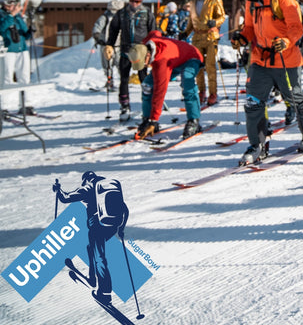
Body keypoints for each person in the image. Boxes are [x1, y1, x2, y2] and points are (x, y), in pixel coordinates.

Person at [230, 0, 303, 162]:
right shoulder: (251, 2)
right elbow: (248, 28)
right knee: (253, 101)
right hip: (260, 59)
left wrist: (286, 41)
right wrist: (241, 39)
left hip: (285, 58)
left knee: (294, 96)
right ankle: (257, 144)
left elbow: (297, 27)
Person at [52, 172, 128, 305]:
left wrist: (58, 190)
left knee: (99, 257)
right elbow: (125, 209)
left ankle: (105, 293)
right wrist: (121, 228)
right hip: (113, 225)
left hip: (97, 226)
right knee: (91, 248)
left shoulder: (88, 187)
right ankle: (92, 278)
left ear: (86, 180)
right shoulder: (109, 186)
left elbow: (65, 198)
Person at [132, 30, 204, 140]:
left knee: (187, 83)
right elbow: (155, 32)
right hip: (174, 60)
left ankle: (194, 121)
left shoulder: (161, 62)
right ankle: (146, 119)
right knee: (147, 85)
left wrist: (154, 119)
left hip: (191, 56)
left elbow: (160, 92)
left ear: (147, 55)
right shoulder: (146, 44)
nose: (145, 66)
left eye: (144, 63)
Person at [105, 0, 155, 122]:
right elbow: (114, 30)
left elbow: (154, 33)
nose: (134, 4)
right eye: (132, 0)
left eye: (137, 1)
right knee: (124, 79)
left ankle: (148, 106)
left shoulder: (147, 13)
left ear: (142, 0)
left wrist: (152, 50)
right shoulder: (121, 13)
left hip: (141, 51)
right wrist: (109, 44)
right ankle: (124, 106)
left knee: (144, 80)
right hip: (126, 50)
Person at [181, 0, 225, 106]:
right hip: (197, 37)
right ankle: (201, 91)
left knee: (210, 66)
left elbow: (222, 16)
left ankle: (213, 93)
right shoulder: (193, 3)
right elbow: (192, 21)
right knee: (197, 66)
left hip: (210, 36)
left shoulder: (214, 0)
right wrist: (186, 32)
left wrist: (215, 23)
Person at [0, 0, 33, 111]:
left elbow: (24, 34)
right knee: (6, 78)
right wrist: (11, 16)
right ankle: (4, 106)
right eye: (10, 3)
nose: (13, 6)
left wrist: (30, 32)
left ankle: (25, 105)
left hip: (22, 49)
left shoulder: (19, 17)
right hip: (6, 50)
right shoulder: (2, 15)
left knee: (24, 77)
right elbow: (1, 28)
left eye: (15, 3)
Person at [92, 0, 123, 92]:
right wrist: (98, 38)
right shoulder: (105, 17)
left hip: (118, 45)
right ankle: (110, 81)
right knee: (108, 65)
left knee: (119, 64)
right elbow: (97, 28)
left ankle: (122, 82)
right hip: (106, 45)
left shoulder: (122, 18)